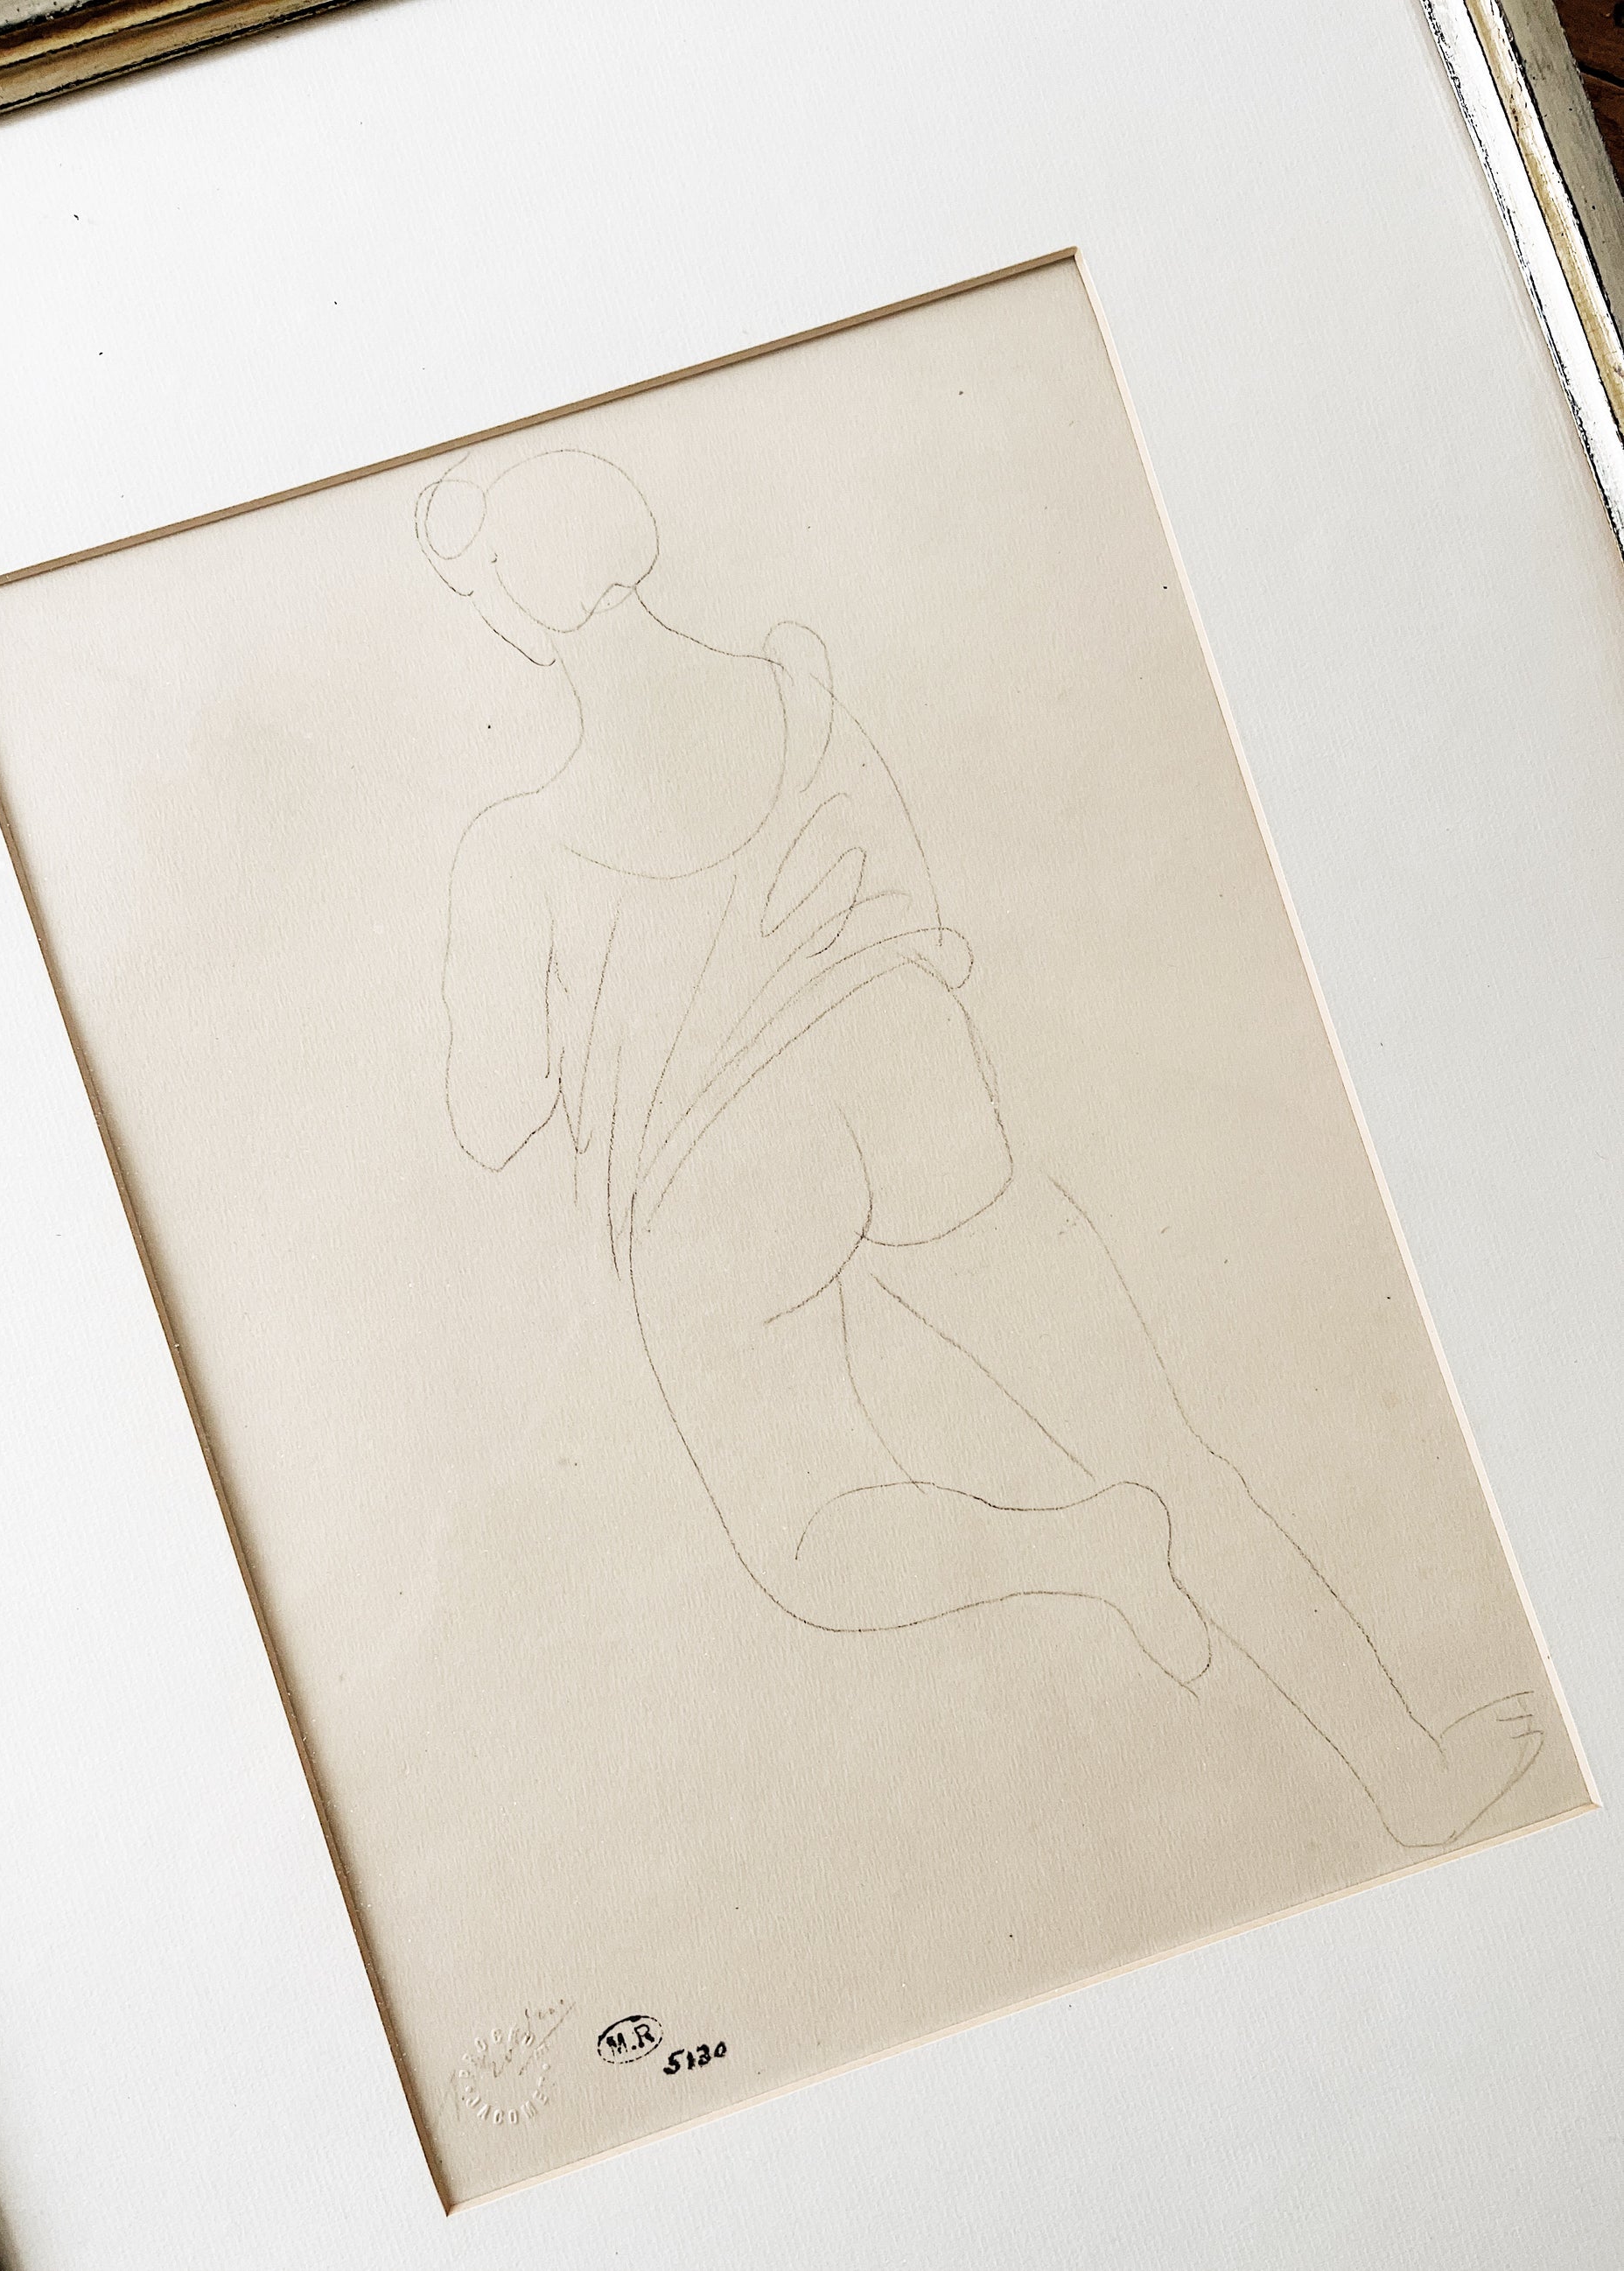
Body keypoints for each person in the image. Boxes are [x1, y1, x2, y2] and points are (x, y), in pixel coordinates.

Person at [417, 444, 1542, 1850]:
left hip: (725, 1173)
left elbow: (490, 1119)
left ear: (515, 606)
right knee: (1161, 1435)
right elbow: (911, 890)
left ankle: (1078, 1549)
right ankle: (1406, 1769)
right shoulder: (801, 688)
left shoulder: (517, 848)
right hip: (906, 1069)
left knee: (807, 1537)